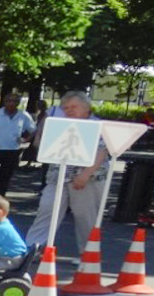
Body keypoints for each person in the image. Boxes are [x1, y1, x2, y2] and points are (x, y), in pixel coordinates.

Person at [23, 91, 110, 255]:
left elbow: (102, 151)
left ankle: (87, 255)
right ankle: (31, 250)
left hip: (88, 179)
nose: (69, 110)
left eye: (73, 107)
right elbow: (44, 145)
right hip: (57, 177)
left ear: (87, 108)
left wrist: (85, 175)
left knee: (85, 217)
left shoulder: (98, 125)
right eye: (66, 108)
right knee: (46, 210)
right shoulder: (59, 124)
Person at [0, 92, 36, 196]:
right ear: (4, 102)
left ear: (18, 103)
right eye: (9, 100)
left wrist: (26, 139)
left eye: (15, 101)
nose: (11, 103)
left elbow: (33, 130)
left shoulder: (23, 115)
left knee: (4, 178)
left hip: (12, 150)